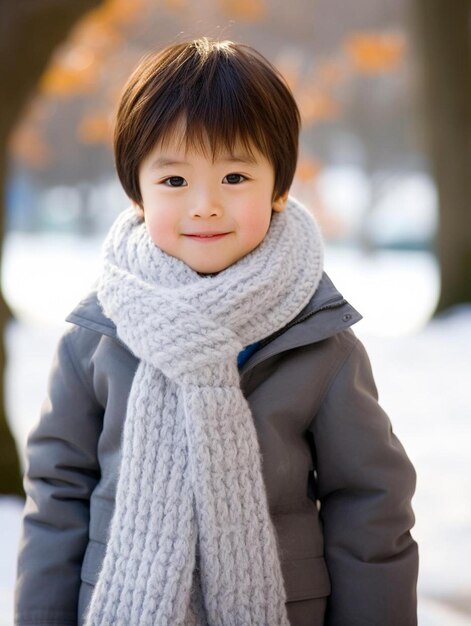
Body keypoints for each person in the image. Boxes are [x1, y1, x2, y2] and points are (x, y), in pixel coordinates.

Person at [14, 37, 418, 626]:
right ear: (137, 192)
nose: (204, 206)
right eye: (174, 182)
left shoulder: (316, 340)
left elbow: (370, 505)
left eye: (234, 176)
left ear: (279, 188)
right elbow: (58, 498)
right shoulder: (97, 336)